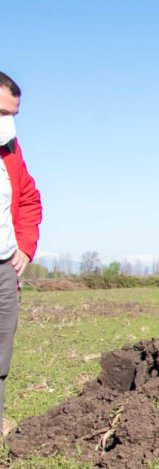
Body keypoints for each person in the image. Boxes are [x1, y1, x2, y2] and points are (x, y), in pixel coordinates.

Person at [0, 71, 43, 430]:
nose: (8, 123)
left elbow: (28, 198)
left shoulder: (10, 150)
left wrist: (25, 248)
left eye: (13, 115)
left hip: (3, 266)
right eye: (1, 113)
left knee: (1, 348)